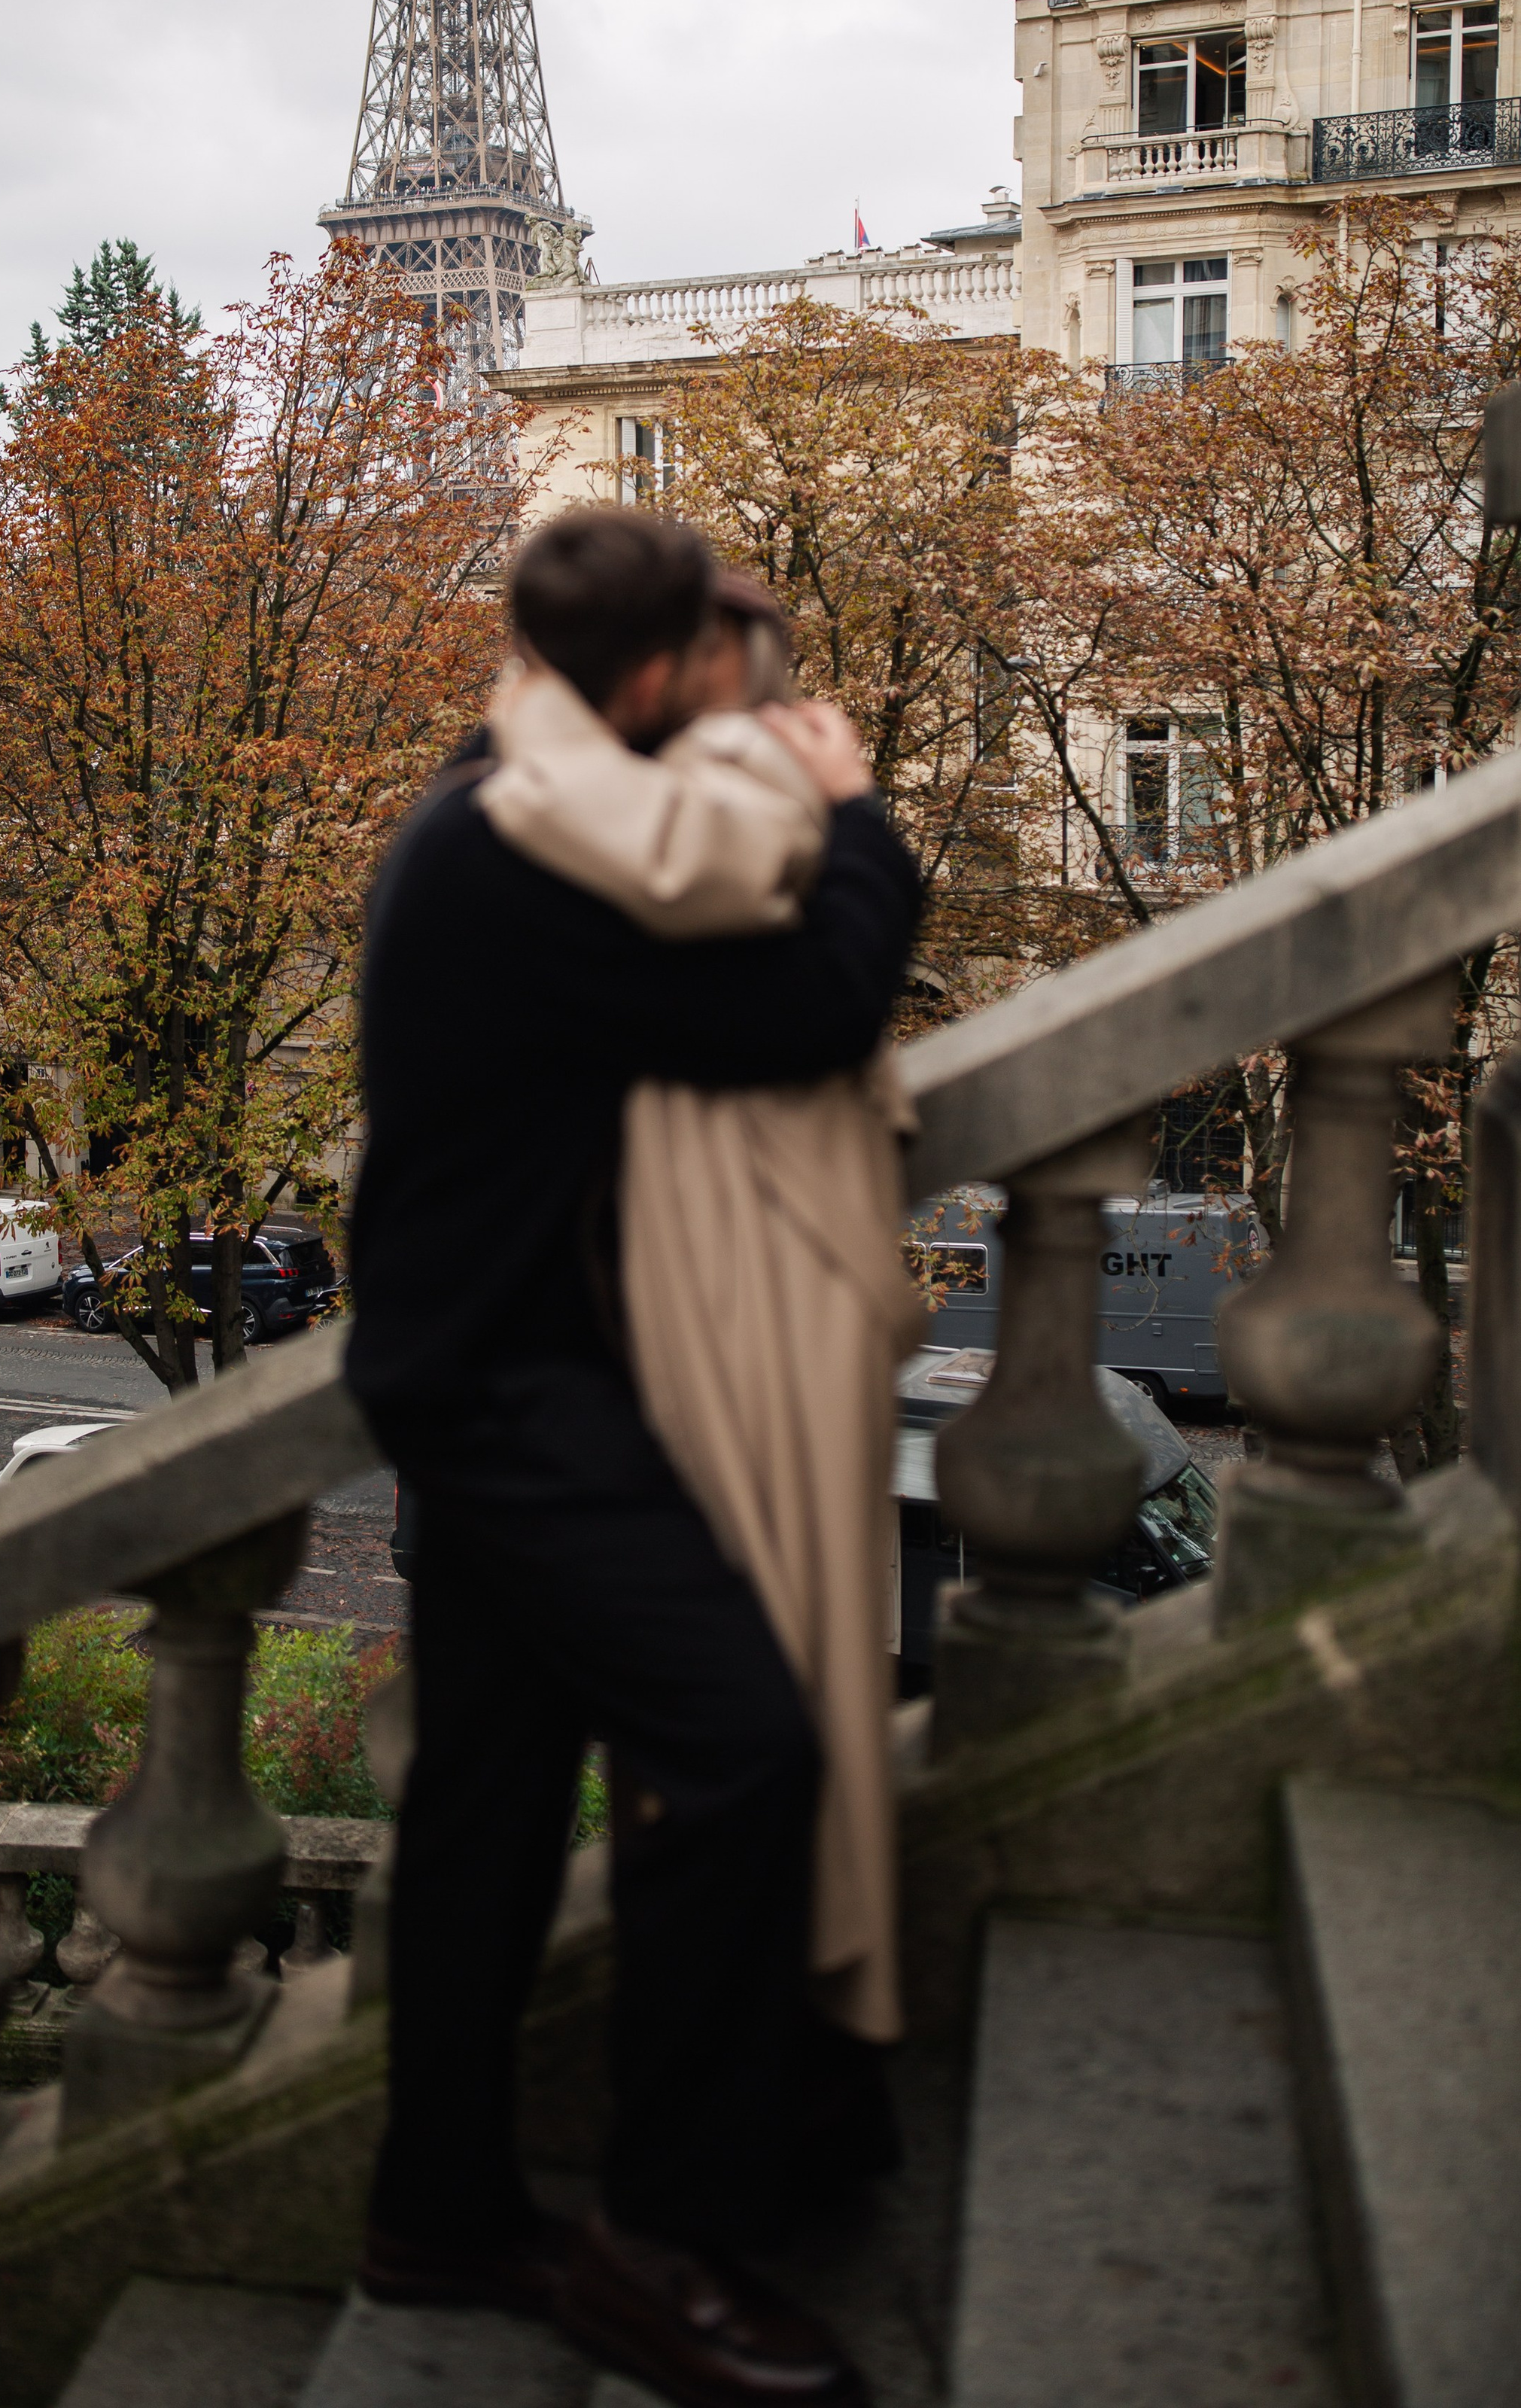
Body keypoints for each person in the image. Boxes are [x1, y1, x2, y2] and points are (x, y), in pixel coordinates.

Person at [345, 507, 923, 2408]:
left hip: (466, 1371)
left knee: (489, 1811)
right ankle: (664, 2241)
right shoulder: (536, 861)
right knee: (742, 1755)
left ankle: (439, 2209)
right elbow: (804, 1010)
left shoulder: (507, 778)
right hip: (527, 1400)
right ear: (660, 679)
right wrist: (854, 820)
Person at [478, 574, 924, 2047]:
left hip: (740, 1294)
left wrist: (533, 725)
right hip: (757, 1286)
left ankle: (754, 2079)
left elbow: (802, 978)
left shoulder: (701, 783)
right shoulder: (710, 783)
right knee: (787, 1683)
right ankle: (798, 2044)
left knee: (744, 1712)